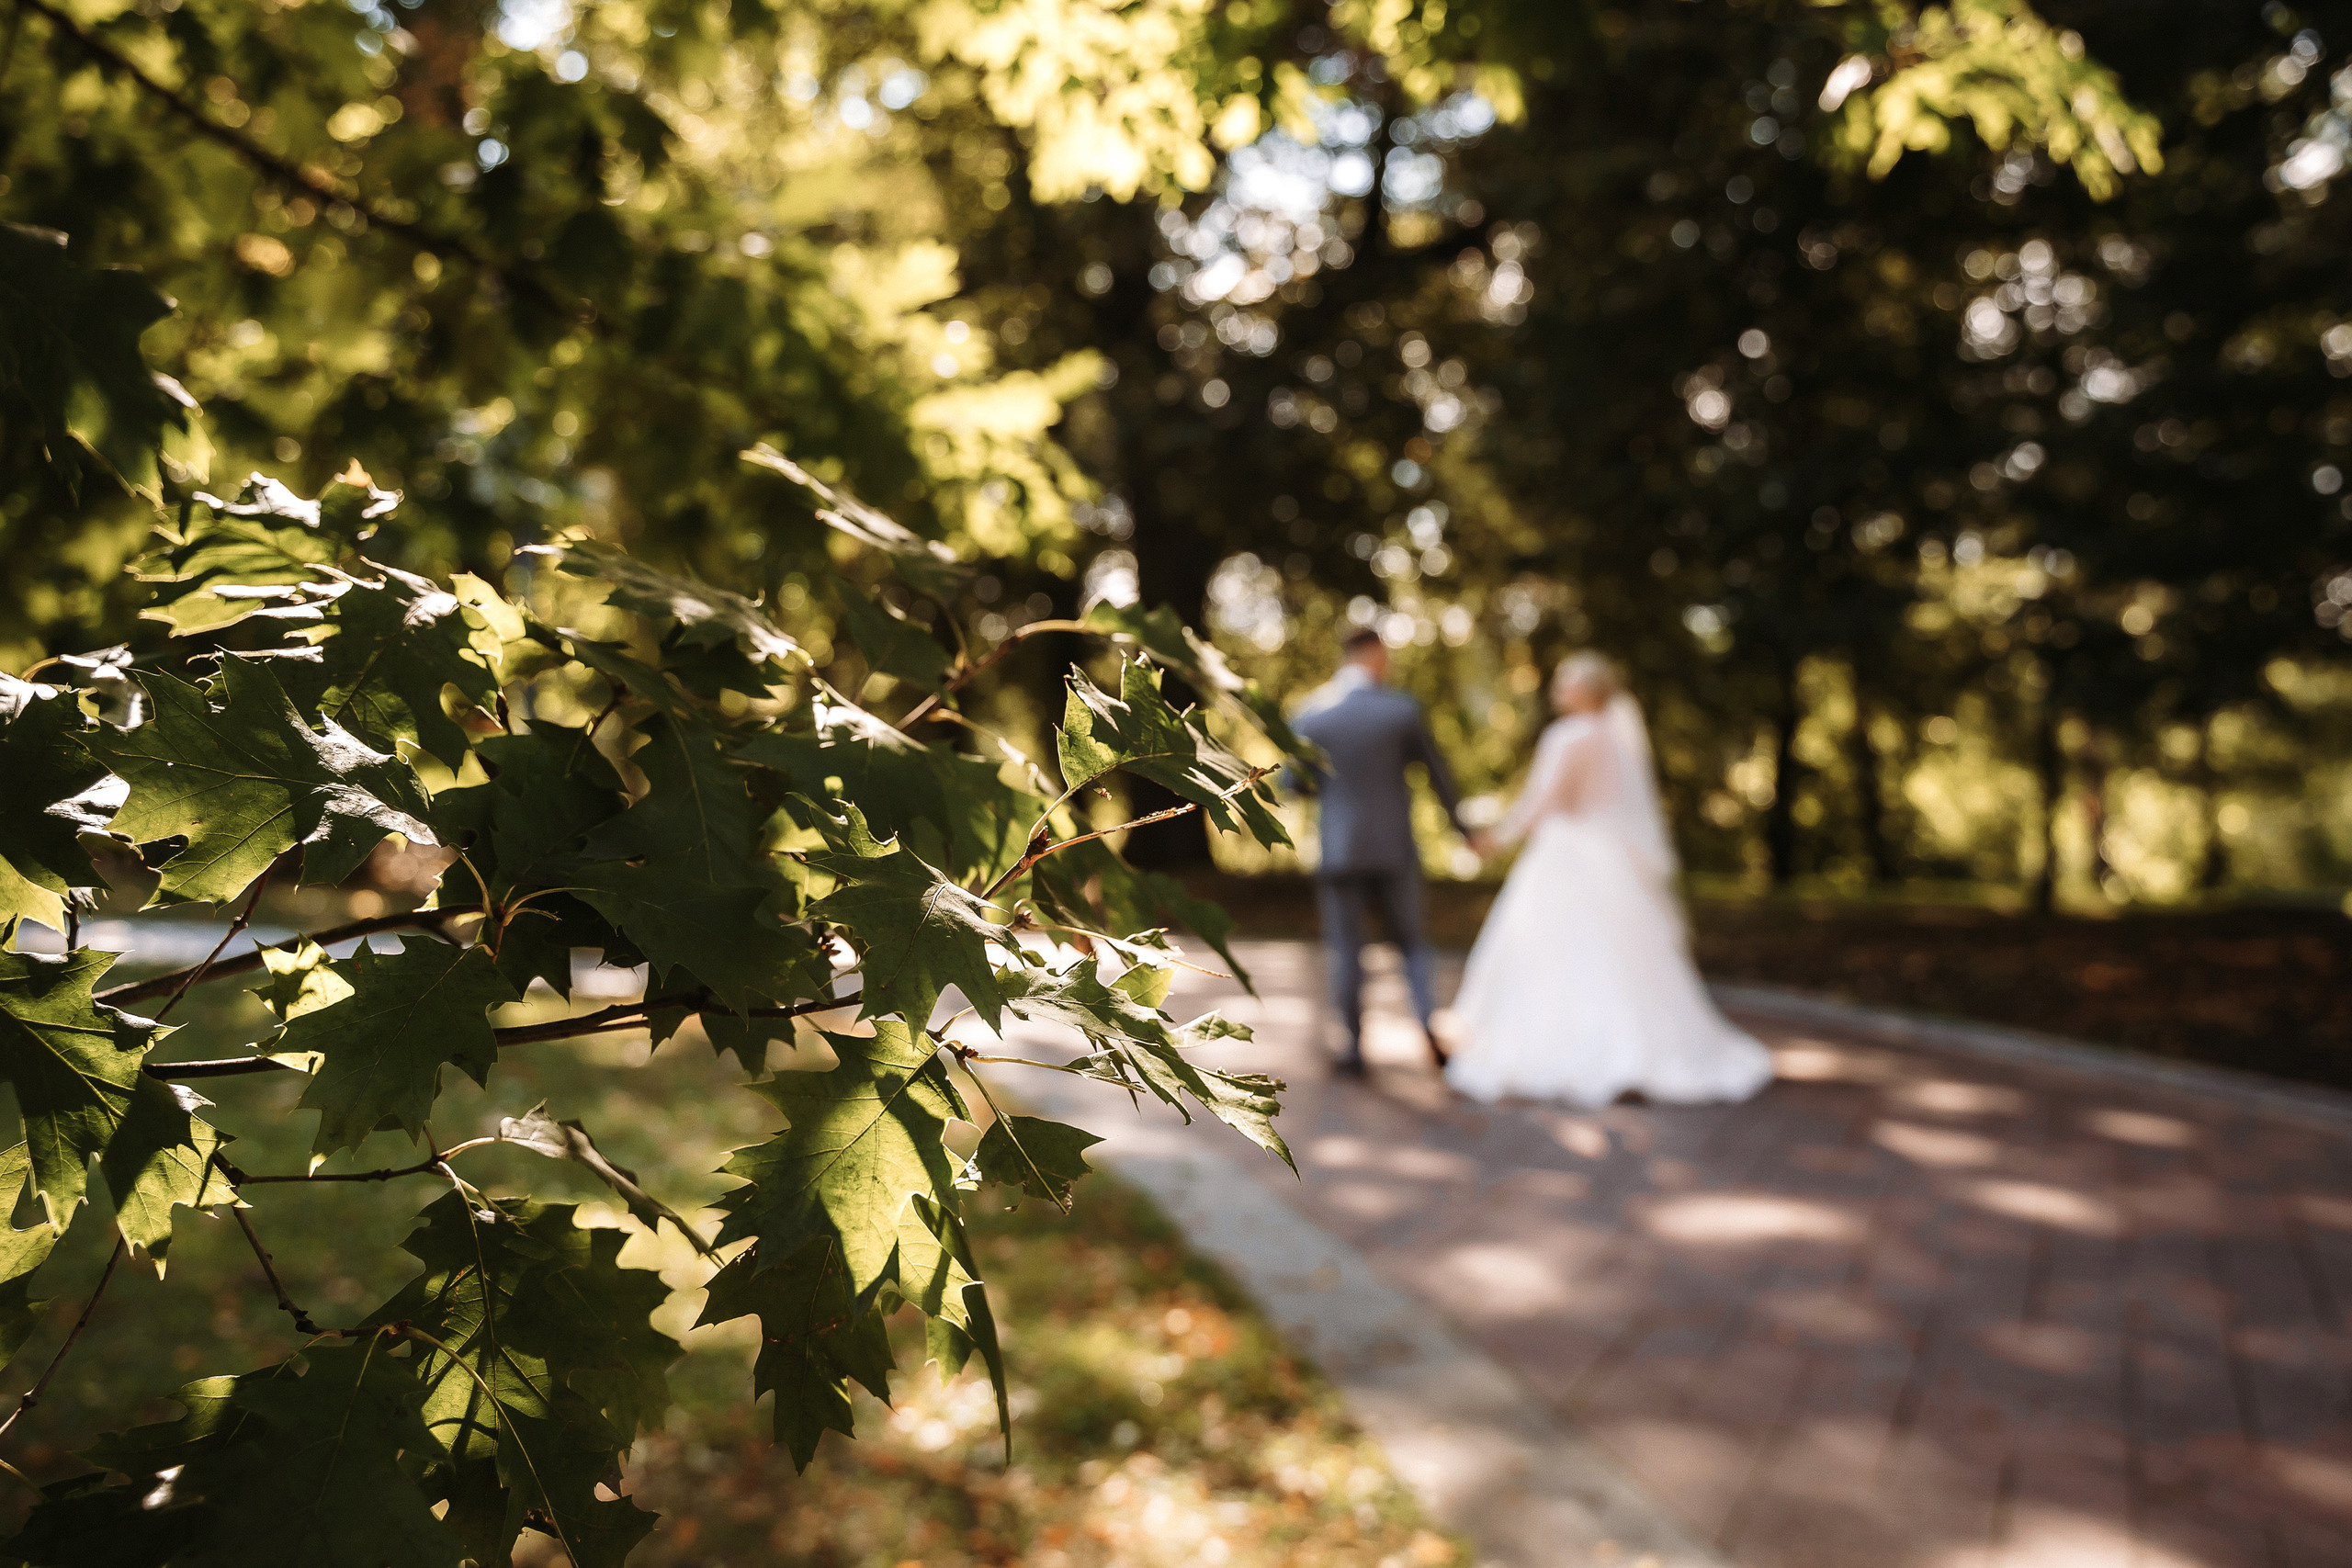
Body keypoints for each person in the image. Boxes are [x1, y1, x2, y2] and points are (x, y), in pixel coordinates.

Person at [1444, 653, 1774, 1107]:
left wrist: (1496, 840)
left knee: (1555, 953)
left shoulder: (1568, 736)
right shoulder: (1618, 740)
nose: (1558, 685)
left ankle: (1572, 1049)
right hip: (1609, 860)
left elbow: (1543, 802)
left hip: (1565, 856)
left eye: (1567, 680)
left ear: (1587, 690)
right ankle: (1641, 1048)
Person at [1290, 628, 1479, 1077]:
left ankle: (1354, 1050)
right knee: (1413, 944)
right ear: (1373, 655)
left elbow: (1295, 785)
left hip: (1339, 850)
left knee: (1347, 950)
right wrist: (1463, 830)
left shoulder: (1311, 714)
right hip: (1394, 847)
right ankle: (1428, 1028)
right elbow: (1438, 776)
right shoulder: (1400, 711)